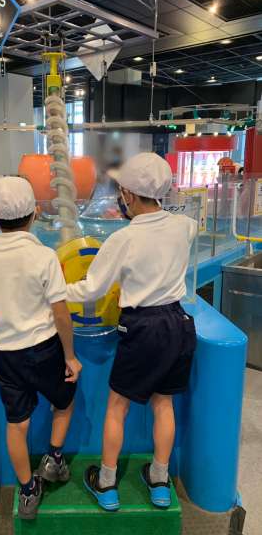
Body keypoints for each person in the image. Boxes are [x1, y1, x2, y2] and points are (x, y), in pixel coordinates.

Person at [66, 152, 197, 511]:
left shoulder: (123, 239)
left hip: (143, 327)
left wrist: (55, 291)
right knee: (163, 404)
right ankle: (159, 481)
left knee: (117, 406)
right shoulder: (184, 226)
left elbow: (91, 289)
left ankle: (107, 483)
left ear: (128, 194)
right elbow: (184, 229)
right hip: (178, 324)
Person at [0, 176, 82, 520]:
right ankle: (55, 459)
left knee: (17, 424)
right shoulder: (44, 256)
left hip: (8, 356)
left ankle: (28, 489)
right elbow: (60, 313)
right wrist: (70, 357)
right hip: (46, 350)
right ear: (35, 213)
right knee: (65, 402)